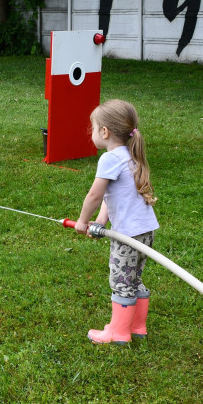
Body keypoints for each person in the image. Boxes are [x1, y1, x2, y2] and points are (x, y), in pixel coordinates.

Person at [75, 99, 160, 344]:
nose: (91, 134)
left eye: (92, 128)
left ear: (105, 132)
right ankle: (137, 326)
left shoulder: (109, 158)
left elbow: (96, 194)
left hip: (128, 235)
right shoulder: (130, 155)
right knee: (135, 278)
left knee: (121, 281)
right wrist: (100, 221)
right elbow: (113, 197)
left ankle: (119, 332)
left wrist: (83, 221)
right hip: (145, 232)